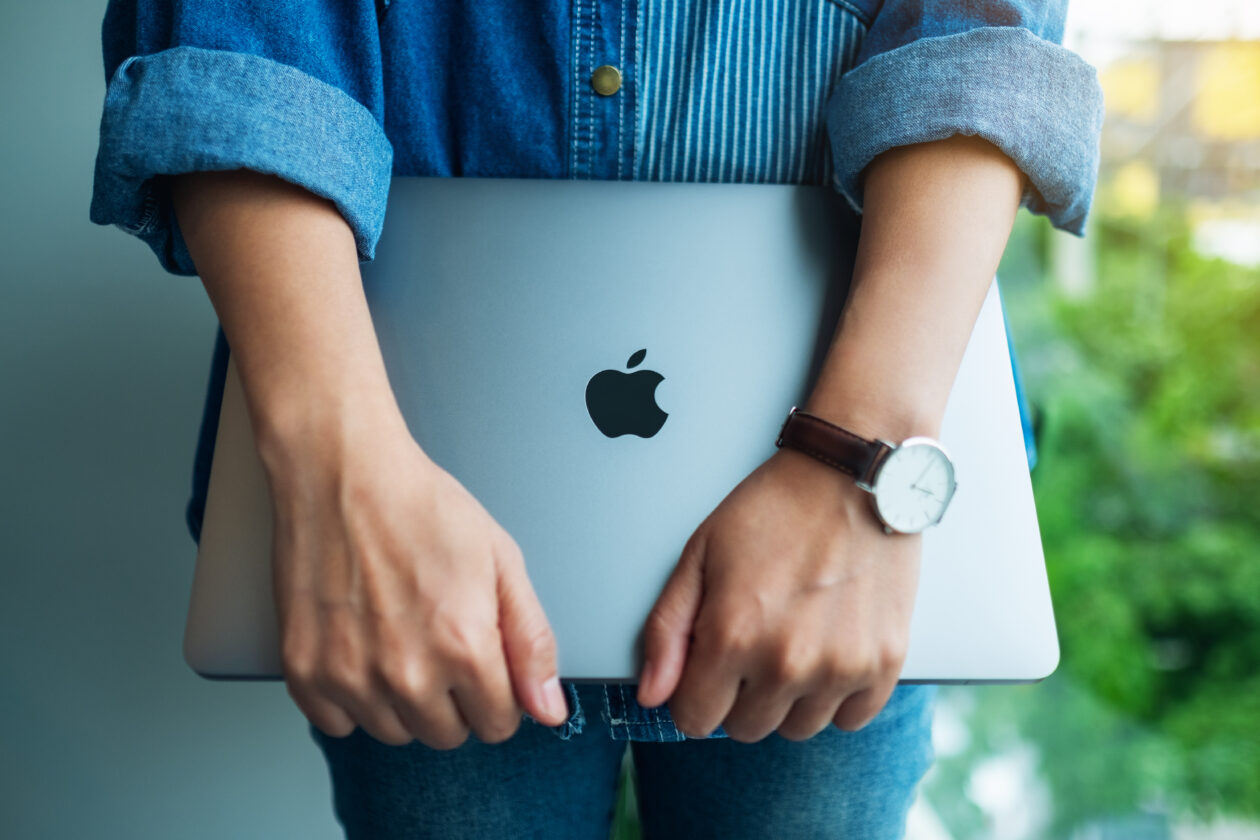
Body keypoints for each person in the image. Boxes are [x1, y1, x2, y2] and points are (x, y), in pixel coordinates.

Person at [90, 0, 1103, 836]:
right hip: (400, 519)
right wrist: (341, 462)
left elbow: (981, 37)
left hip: (842, 518)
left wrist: (864, 460)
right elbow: (238, 38)